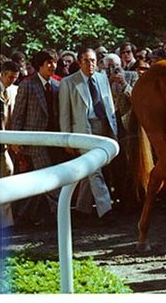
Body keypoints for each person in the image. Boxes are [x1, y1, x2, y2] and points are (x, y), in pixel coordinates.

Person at [59, 47, 117, 222]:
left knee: (88, 171)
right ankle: (106, 210)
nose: (91, 64)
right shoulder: (69, 82)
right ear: (79, 61)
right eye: (86, 60)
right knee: (94, 170)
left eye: (93, 60)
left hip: (102, 128)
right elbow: (64, 113)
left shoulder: (101, 78)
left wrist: (113, 131)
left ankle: (82, 210)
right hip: (82, 131)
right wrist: (66, 140)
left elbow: (109, 105)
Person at [11, 49, 60, 227]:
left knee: (38, 181)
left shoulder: (56, 85)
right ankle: (59, 216)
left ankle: (24, 217)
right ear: (39, 65)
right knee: (49, 178)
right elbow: (18, 114)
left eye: (54, 62)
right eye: (48, 62)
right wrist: (15, 140)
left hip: (54, 141)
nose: (52, 66)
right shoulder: (27, 85)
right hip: (34, 141)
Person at [102, 53, 139, 212]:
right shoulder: (100, 79)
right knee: (115, 165)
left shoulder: (132, 76)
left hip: (127, 124)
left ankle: (134, 199)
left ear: (121, 64)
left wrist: (123, 84)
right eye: (109, 67)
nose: (113, 69)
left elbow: (137, 99)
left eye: (115, 66)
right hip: (109, 125)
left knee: (130, 163)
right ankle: (119, 198)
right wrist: (108, 83)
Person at [0, 61, 21, 229]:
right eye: (10, 77)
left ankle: (6, 222)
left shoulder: (12, 91)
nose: (12, 80)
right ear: (3, 74)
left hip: (4, 144)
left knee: (7, 173)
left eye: (15, 78)